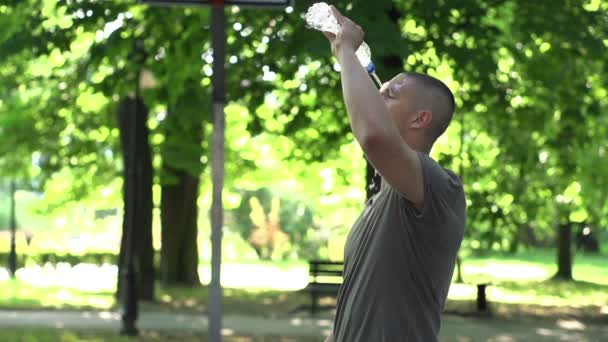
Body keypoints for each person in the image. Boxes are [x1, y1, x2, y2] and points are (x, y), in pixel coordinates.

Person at [321, 6, 466, 342]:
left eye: (389, 94)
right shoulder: (378, 202)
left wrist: (345, 51)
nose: (375, 96)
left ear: (420, 119)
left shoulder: (440, 187)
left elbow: (373, 135)